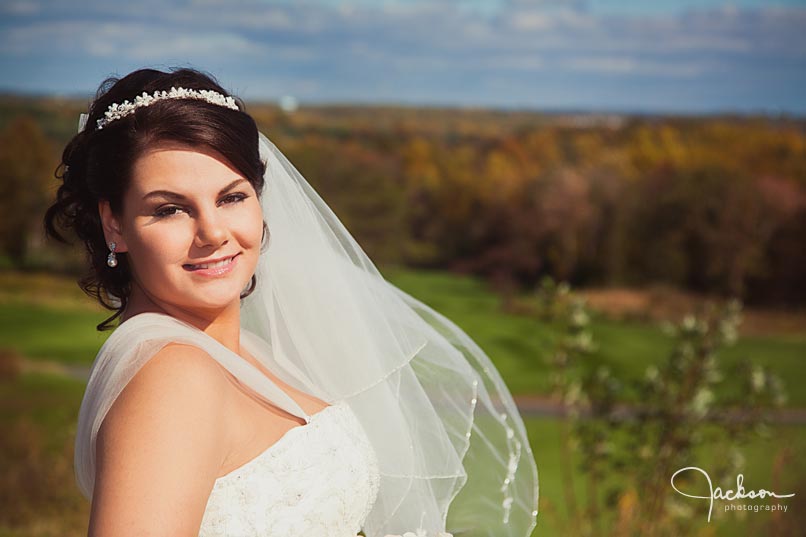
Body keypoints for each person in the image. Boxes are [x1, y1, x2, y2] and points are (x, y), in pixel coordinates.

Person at [44, 67, 538, 537]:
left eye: (232, 197)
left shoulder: (247, 351)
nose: (214, 233)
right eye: (170, 209)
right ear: (114, 224)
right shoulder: (173, 377)